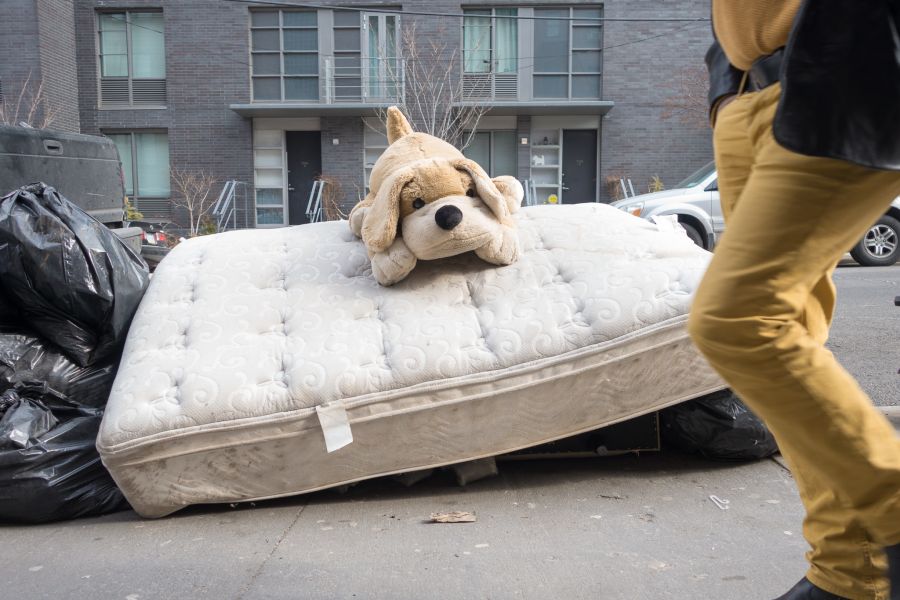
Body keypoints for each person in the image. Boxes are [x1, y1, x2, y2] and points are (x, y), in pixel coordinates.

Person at [688, 2, 900, 599]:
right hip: (747, 93)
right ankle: (850, 573)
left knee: (738, 320)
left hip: (850, 67)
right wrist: (726, 93)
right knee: (793, 346)